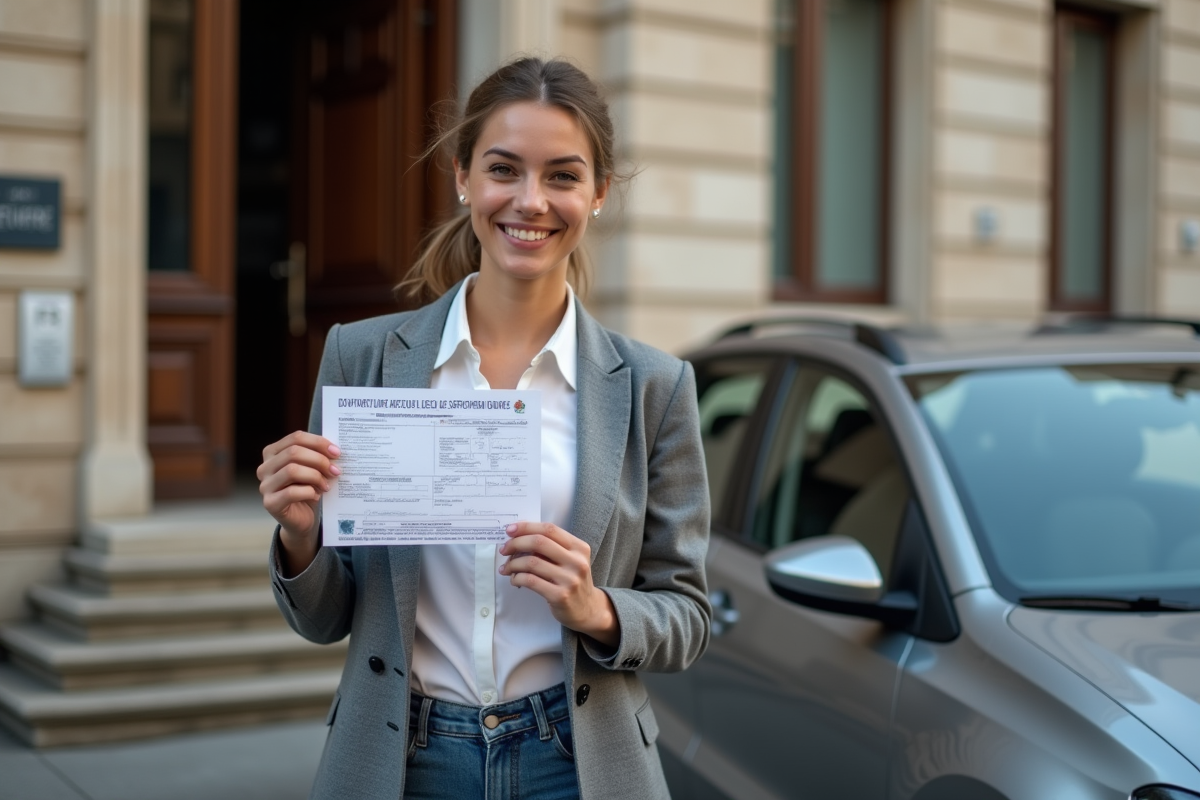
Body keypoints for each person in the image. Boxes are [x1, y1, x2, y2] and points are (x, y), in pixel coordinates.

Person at [257, 57, 710, 800]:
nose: (530, 201)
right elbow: (325, 618)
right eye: (505, 169)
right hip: (407, 756)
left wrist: (595, 607)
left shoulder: (656, 387)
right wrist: (302, 537)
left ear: (598, 193)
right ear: (463, 175)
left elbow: (687, 615)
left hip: (576, 758)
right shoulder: (362, 357)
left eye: (562, 176)